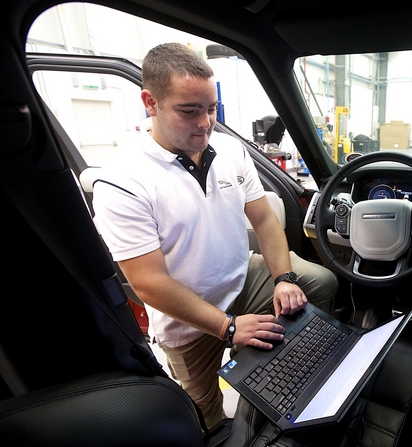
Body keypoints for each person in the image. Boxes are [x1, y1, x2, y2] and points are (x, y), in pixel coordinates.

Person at [92, 42, 338, 430]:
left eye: (210, 108)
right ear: (150, 102)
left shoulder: (230, 150)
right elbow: (149, 283)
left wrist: (283, 279)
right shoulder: (123, 182)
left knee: (319, 281)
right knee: (205, 420)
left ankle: (279, 380)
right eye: (189, 111)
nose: (205, 122)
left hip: (242, 279)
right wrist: (230, 326)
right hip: (185, 319)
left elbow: (265, 221)